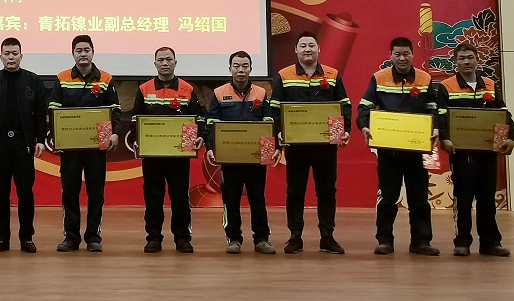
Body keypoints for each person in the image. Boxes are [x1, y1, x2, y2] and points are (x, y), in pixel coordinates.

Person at [270, 32, 351, 255]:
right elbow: (274, 108)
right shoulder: (284, 75)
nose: (307, 49)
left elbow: (344, 105)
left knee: (327, 191)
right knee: (295, 191)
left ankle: (327, 237)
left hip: (325, 146)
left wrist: (345, 131)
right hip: (296, 147)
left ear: (318, 49)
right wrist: (279, 132)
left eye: (311, 45)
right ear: (296, 50)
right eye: (303, 45)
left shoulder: (333, 75)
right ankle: (295, 237)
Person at [357, 37, 440, 256]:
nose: (402, 58)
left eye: (406, 54)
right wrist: (364, 126)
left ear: (412, 54)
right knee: (387, 197)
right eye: (397, 54)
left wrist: (435, 128)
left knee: (419, 198)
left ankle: (421, 242)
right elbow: (364, 107)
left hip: (417, 150)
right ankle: (384, 240)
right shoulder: (379, 78)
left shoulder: (424, 78)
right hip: (389, 151)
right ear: (391, 56)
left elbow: (433, 109)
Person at [436, 43, 514, 257]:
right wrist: (444, 139)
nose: (466, 62)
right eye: (462, 58)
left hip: (487, 152)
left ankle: (490, 242)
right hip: (461, 153)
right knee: (463, 198)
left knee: (487, 199)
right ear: (455, 62)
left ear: (477, 59)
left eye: (470, 57)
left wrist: (512, 137)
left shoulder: (489, 84)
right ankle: (462, 241)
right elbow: (440, 117)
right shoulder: (446, 86)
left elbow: (503, 113)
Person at [49, 34, 121, 253]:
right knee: (69, 193)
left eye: (86, 50)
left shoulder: (106, 79)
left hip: (96, 148)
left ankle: (93, 237)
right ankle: (71, 237)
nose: (83, 54)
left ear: (93, 52)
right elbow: (53, 110)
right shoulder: (62, 78)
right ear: (73, 54)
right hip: (70, 147)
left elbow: (115, 110)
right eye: (78, 50)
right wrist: (56, 136)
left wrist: (115, 133)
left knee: (96, 193)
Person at [0, 37, 48, 254]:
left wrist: (40, 139)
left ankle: (27, 238)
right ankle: (1, 238)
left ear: (21, 56)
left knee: (25, 193)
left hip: (24, 145)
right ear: (1, 57)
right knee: (1, 194)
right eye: (7, 53)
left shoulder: (32, 80)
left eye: (14, 53)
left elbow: (41, 113)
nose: (11, 57)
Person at [131, 46, 205, 254]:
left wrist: (200, 135)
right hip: (152, 155)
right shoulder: (144, 89)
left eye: (169, 59)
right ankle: (153, 238)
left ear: (175, 62)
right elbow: (135, 119)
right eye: (161, 60)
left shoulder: (187, 89)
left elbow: (199, 118)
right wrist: (138, 139)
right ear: (155, 63)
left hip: (179, 155)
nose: (165, 63)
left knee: (180, 197)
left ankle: (183, 238)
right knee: (153, 198)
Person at [207, 50, 276, 255]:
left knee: (258, 199)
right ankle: (234, 239)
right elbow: (211, 123)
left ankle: (261, 239)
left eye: (245, 66)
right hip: (230, 158)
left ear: (251, 69)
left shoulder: (261, 93)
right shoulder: (219, 93)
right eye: (236, 66)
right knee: (231, 200)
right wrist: (210, 147)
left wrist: (270, 150)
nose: (240, 70)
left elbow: (269, 122)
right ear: (230, 69)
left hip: (255, 158)